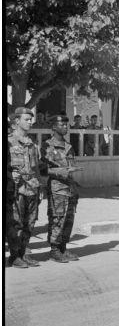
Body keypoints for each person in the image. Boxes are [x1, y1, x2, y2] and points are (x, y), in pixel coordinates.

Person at [42, 115, 83, 263]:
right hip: (57, 189)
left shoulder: (69, 146)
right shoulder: (46, 145)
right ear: (53, 127)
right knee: (57, 218)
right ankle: (54, 250)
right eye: (62, 124)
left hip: (70, 188)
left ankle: (63, 248)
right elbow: (41, 169)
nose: (65, 127)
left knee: (68, 219)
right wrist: (59, 172)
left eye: (67, 125)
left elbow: (70, 166)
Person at [6, 107, 42, 268]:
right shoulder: (7, 142)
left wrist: (40, 188)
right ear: (16, 121)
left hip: (32, 188)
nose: (30, 122)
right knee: (16, 224)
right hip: (16, 189)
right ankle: (14, 256)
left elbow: (36, 169)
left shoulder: (32, 143)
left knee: (30, 223)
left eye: (30, 119)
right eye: (26, 119)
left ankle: (23, 253)